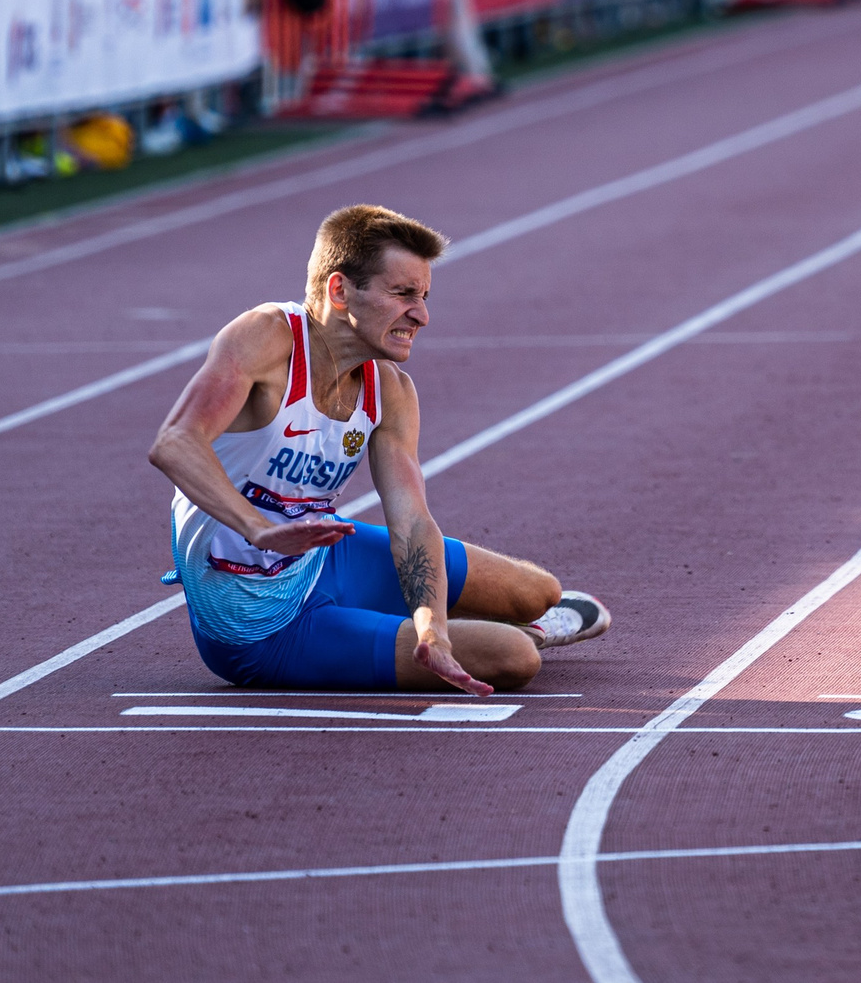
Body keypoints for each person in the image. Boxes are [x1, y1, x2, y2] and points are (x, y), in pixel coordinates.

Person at [147, 204, 611, 692]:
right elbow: (174, 442)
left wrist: (432, 626)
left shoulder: (390, 389)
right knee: (514, 657)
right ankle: (487, 635)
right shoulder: (267, 338)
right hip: (258, 626)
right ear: (339, 290)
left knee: (538, 593)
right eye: (403, 294)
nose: (422, 316)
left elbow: (412, 522)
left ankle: (455, 625)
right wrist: (258, 528)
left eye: (424, 296)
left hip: (323, 560)